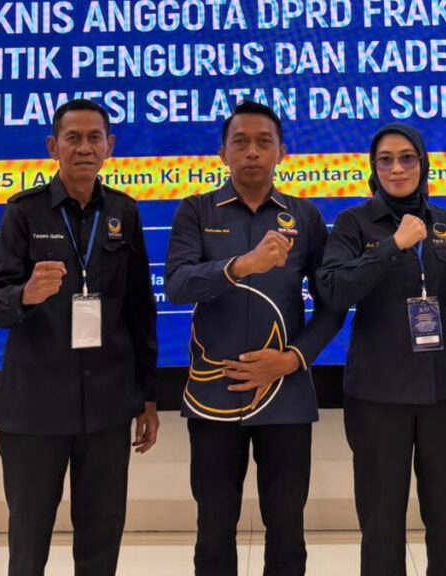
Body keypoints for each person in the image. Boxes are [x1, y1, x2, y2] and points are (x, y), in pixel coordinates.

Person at [0, 98, 160, 576]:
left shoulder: (124, 212)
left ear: (109, 146)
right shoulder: (24, 212)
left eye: (94, 138)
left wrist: (146, 396)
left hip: (107, 406)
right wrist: (25, 295)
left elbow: (140, 311)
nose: (84, 148)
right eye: (73, 138)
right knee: (28, 540)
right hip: (35, 408)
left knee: (102, 537)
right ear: (52, 146)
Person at [164, 100, 344, 576]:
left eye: (264, 142)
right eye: (240, 142)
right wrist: (241, 265)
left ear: (282, 152)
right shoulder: (196, 210)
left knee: (286, 530)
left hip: (285, 395)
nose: (252, 152)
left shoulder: (304, 216)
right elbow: (177, 285)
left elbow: (332, 305)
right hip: (212, 394)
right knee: (213, 528)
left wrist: (294, 358)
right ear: (222, 152)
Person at [315, 123, 446, 576]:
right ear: (373, 168)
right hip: (377, 397)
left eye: (407, 158)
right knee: (380, 525)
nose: (397, 168)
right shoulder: (353, 224)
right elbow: (334, 290)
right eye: (386, 160)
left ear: (422, 163)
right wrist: (392, 246)